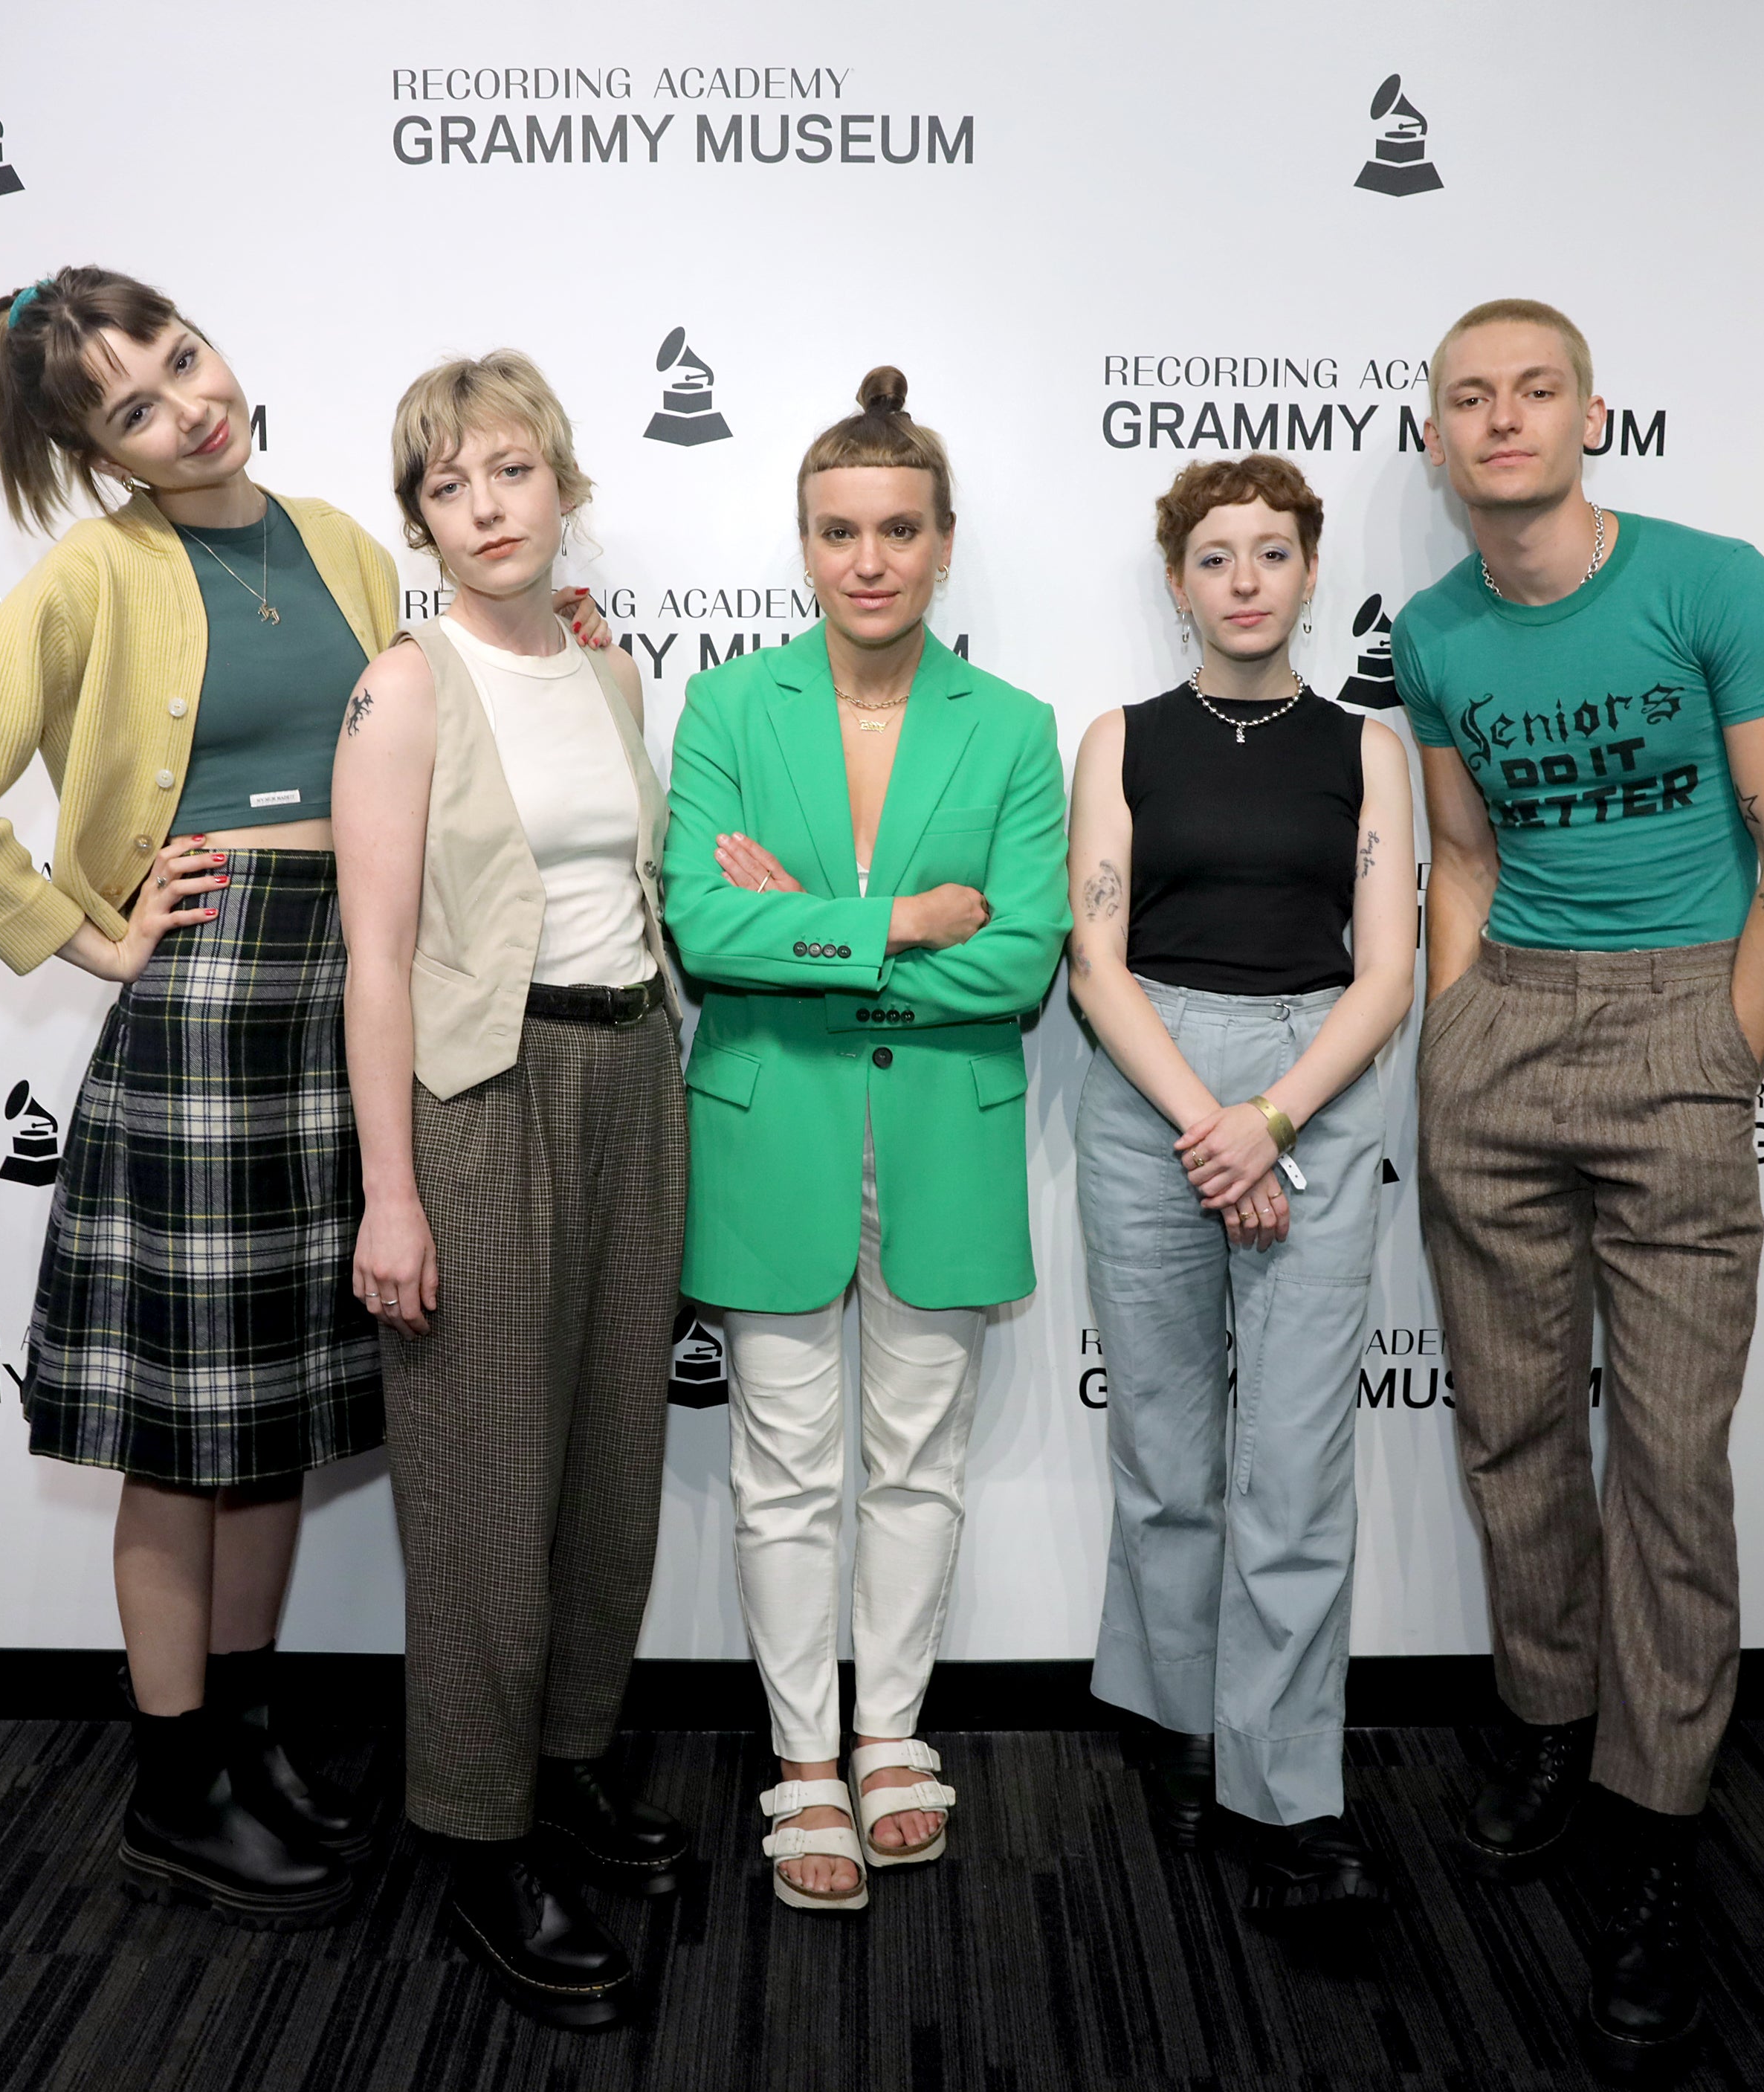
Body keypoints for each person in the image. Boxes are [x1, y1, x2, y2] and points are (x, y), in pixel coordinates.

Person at [0, 270, 606, 1932]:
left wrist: (563, 654)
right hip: (206, 1008)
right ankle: (173, 1779)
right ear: (98, 455)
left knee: (277, 1414)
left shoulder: (340, 541)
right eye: (134, 409)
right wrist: (92, 932)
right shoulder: (94, 572)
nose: (188, 408)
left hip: (356, 989)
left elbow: (434, 724)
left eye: (184, 360)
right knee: (182, 1429)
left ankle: (251, 1734)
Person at [1399, 297, 1764, 2079]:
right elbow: (1459, 856)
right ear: (1436, 435)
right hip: (1500, 1028)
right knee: (1509, 1427)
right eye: (1466, 397)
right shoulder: (1434, 630)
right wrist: (1451, 1036)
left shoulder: (1711, 582)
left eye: (1533, 390)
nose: (1500, 418)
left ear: (1591, 414)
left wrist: (1723, 1046)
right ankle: (1544, 1716)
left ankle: (1656, 1828)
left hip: (1679, 1021)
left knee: (1664, 1460)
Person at [662, 368, 1069, 1911]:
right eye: (838, 531)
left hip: (942, 1138)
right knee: (781, 1471)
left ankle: (890, 1735)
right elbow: (704, 927)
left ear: (943, 541)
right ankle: (803, 1759)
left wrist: (810, 937)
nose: (869, 559)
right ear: (804, 544)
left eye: (899, 529)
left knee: (914, 1464)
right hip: (772, 1130)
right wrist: (897, 922)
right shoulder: (726, 706)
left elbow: (1018, 961)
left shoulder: (1013, 728)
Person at [332, 350, 686, 2029]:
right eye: (446, 486)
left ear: (564, 484)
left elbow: (627, 882)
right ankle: (479, 1840)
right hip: (483, 1095)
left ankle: (566, 1765)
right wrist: (389, 1193)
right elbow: (378, 959)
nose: (484, 508)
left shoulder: (607, 669)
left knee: (611, 1457)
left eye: (509, 472)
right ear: (421, 520)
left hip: (633, 1076)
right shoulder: (407, 687)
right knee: (481, 1483)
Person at [1066, 454, 1415, 1910]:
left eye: (1272, 552)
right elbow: (1094, 960)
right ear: (1178, 582)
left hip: (1312, 1082)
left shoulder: (1368, 750)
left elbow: (1388, 970)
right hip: (1150, 1078)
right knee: (1164, 1451)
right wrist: (1209, 1124)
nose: (1246, 580)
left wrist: (1266, 1120)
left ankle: (1287, 1788)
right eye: (1215, 557)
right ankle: (1181, 1722)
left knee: (1294, 1466)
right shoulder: (1121, 739)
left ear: (1310, 572)